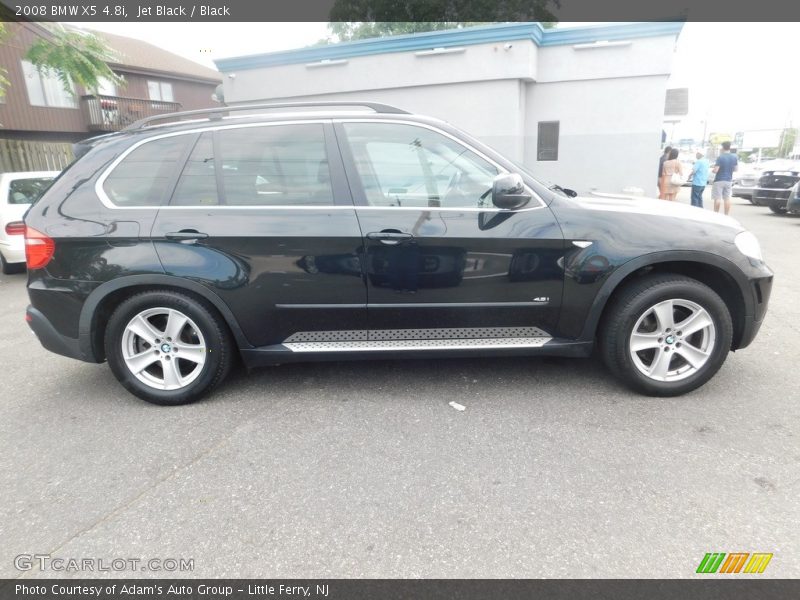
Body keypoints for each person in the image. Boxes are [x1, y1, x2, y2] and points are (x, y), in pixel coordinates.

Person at [711, 141, 738, 215]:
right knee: (727, 199)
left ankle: (716, 214)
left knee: (717, 198)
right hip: (728, 180)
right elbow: (736, 169)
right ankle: (726, 215)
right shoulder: (734, 157)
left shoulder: (720, 157)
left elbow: (716, 170)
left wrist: (712, 170)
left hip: (719, 180)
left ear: (723, 147)